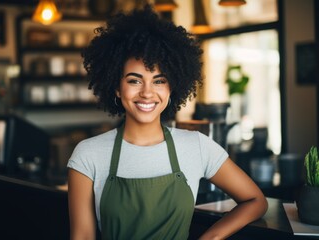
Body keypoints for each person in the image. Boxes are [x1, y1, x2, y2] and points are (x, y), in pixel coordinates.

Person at [67, 5, 268, 240]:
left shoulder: (197, 146)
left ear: (172, 88)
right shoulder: (88, 154)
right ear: (116, 88)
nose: (147, 93)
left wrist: (211, 238)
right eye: (134, 81)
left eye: (159, 81)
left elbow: (256, 201)